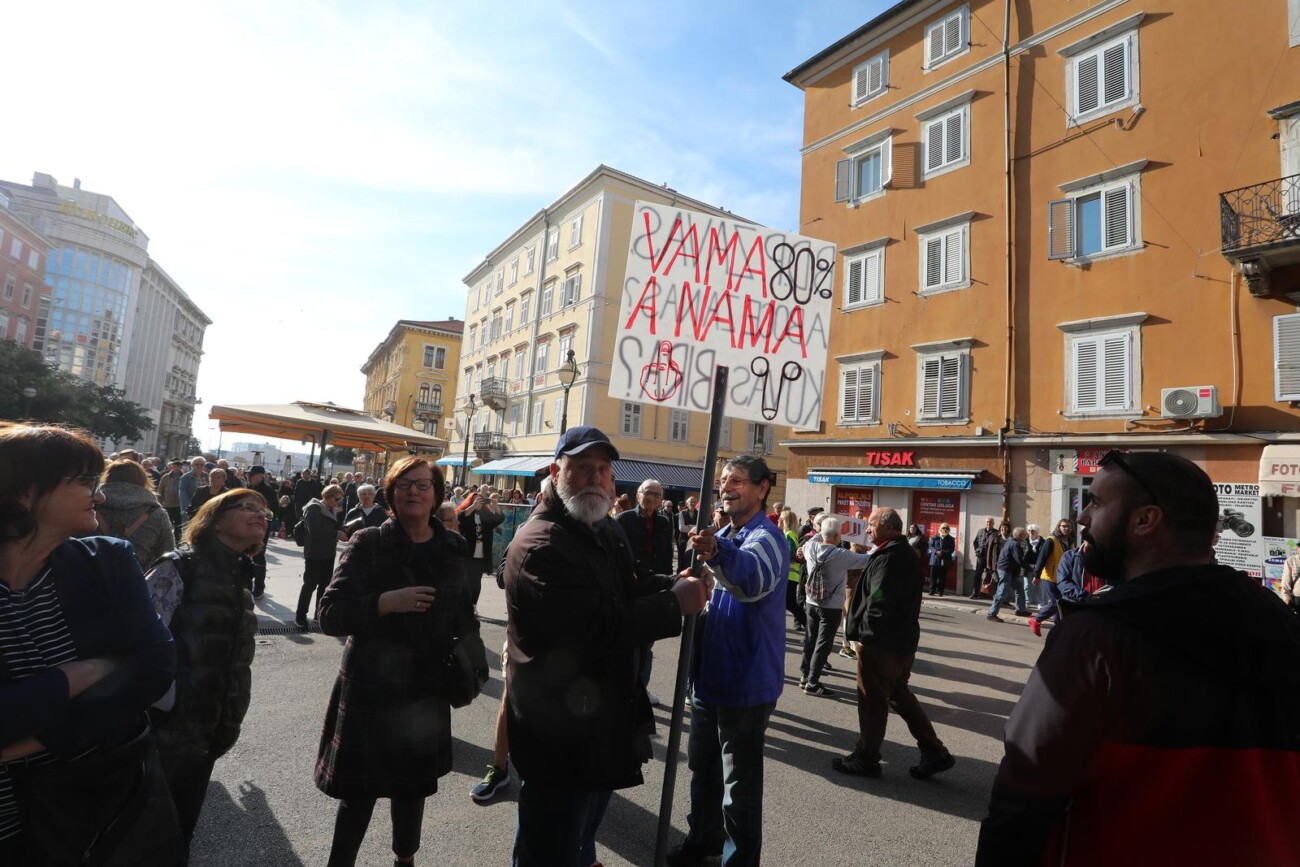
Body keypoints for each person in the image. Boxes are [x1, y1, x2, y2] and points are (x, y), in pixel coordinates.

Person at [975, 450, 1300, 866]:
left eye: (1095, 502)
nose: (1082, 517)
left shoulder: (1094, 636)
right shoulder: (1280, 621)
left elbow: (1025, 794)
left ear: (1145, 520)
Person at [505, 426, 710, 867]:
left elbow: (630, 584)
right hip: (558, 733)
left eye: (603, 469)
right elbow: (594, 627)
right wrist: (674, 605)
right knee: (549, 849)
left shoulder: (601, 528)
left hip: (597, 722)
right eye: (582, 468)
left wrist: (675, 582)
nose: (596, 478)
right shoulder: (541, 543)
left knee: (578, 836)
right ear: (556, 472)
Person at [0, 425, 180, 865]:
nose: (98, 497)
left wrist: (30, 743)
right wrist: (79, 673)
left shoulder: (106, 561)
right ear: (26, 494)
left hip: (97, 806)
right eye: (84, 483)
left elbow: (155, 669)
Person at [315, 457, 486, 867]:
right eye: (404, 484)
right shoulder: (369, 542)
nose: (413, 491)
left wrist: (470, 656)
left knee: (412, 791)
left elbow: (463, 611)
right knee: (358, 796)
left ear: (437, 495)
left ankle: (405, 861)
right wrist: (384, 603)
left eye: (423, 484)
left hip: (425, 688)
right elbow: (330, 614)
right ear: (390, 493)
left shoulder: (452, 546)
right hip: (370, 687)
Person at [671, 455, 789, 867]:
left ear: (762, 488)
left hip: (746, 681)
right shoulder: (722, 532)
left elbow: (752, 580)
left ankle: (739, 860)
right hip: (708, 679)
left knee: (739, 785)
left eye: (738, 480)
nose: (727, 487)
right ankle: (703, 838)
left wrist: (717, 552)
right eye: (723, 480)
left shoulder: (768, 537)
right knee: (702, 769)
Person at [145, 488, 261, 857]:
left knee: (181, 835)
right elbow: (141, 646)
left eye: (265, 511)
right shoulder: (179, 566)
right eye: (247, 507)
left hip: (210, 731)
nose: (260, 514)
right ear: (213, 517)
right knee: (145, 836)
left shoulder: (239, 576)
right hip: (164, 731)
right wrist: (165, 705)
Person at [833, 507, 955, 781]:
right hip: (897, 640)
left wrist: (865, 636)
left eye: (872, 524)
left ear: (889, 527)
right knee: (899, 695)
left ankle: (866, 758)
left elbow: (879, 600)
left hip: (882, 643)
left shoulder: (892, 557)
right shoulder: (895, 553)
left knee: (872, 700)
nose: (867, 529)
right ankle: (935, 752)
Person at [615, 479, 675, 706]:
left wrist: (668, 579)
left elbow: (667, 552)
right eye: (646, 493)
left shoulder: (663, 521)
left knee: (647, 644)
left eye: (656, 494)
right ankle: (624, 689)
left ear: (661, 499)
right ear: (638, 495)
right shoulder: (623, 519)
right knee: (629, 642)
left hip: (655, 587)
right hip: (630, 589)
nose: (650, 497)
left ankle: (640, 689)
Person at [799, 516, 872, 696]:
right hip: (830, 606)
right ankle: (813, 683)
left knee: (810, 638)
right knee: (823, 643)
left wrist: (824, 525)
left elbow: (816, 537)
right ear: (839, 536)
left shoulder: (809, 548)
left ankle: (804, 676)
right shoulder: (841, 555)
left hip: (811, 601)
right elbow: (867, 559)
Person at [96, 458, 176, 571]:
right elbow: (167, 553)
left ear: (107, 477)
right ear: (143, 480)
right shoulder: (156, 513)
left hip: (89, 578)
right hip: (139, 580)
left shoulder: (90, 507)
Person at [295, 483, 343, 629]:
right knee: (310, 585)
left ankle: (319, 614)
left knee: (325, 585)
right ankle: (301, 615)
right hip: (314, 553)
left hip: (328, 552)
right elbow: (315, 531)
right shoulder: (314, 508)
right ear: (328, 497)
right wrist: (336, 534)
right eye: (337, 499)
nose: (338, 502)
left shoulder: (331, 509)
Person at [456, 490, 505, 608]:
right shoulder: (468, 513)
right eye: (476, 499)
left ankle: (473, 605)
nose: (479, 502)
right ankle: (463, 604)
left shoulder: (485, 514)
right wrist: (473, 507)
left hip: (481, 553)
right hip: (468, 552)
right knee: (465, 579)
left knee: (476, 581)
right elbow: (460, 517)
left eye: (480, 500)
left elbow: (499, 519)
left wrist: (496, 507)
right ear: (471, 501)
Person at [1027, 519, 1073, 636]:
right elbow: (1041, 559)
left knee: (1060, 603)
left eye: (1068, 526)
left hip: (1063, 578)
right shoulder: (1051, 540)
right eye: (1063, 526)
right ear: (1059, 527)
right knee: (1056, 602)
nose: (1066, 528)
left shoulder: (1070, 541)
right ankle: (1036, 620)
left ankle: (1058, 627)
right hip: (1049, 577)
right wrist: (1037, 575)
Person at [244, 465, 279, 598]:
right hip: (245, 525)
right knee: (245, 555)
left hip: (260, 527)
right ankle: (246, 586)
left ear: (260, 476)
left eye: (252, 475)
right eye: (248, 474)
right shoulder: (247, 488)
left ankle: (259, 587)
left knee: (258, 556)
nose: (249, 477)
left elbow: (274, 512)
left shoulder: (269, 491)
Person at [987, 528, 1031, 621]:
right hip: (1005, 570)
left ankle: (1020, 610)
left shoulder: (1011, 542)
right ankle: (992, 613)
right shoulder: (1014, 544)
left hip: (1011, 571)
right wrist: (1030, 568)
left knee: (1019, 589)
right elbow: (1019, 559)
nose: (1025, 536)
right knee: (1002, 591)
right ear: (1019, 535)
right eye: (1024, 534)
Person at [778, 508, 807, 632]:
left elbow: (789, 554)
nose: (778, 521)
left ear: (785, 521)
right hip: (791, 575)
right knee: (786, 604)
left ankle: (810, 628)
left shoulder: (788, 534)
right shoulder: (792, 534)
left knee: (790, 604)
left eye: (780, 519)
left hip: (789, 574)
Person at [970, 517, 998, 599]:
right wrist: (977, 550)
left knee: (989, 575)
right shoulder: (981, 531)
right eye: (987, 522)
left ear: (993, 523)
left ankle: (985, 593)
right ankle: (975, 593)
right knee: (977, 575)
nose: (988, 523)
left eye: (990, 522)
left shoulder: (996, 532)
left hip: (990, 558)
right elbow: (975, 542)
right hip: (981, 557)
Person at [159, 458, 185, 542]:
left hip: (179, 505)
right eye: (175, 466)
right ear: (172, 467)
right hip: (167, 504)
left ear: (181, 467)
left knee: (178, 525)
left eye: (178, 466)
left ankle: (177, 541)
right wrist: (160, 502)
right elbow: (160, 490)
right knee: (167, 524)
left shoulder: (184, 477)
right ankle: (167, 541)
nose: (176, 468)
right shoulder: (165, 477)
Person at [927, 523, 955, 596]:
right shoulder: (935, 537)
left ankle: (940, 592)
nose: (945, 530)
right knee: (933, 577)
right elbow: (931, 547)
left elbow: (951, 549)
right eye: (944, 528)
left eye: (947, 528)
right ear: (940, 529)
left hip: (944, 560)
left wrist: (942, 552)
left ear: (949, 530)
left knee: (942, 577)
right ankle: (932, 591)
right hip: (934, 560)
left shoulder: (951, 539)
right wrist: (936, 552)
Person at [178, 456, 207, 526]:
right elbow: (182, 494)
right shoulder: (185, 477)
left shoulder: (207, 476)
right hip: (191, 508)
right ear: (192, 465)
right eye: (196, 464)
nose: (199, 466)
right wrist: (187, 510)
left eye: (201, 465)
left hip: (204, 509)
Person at [678, 495, 699, 566]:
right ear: (687, 504)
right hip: (683, 540)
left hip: (694, 540)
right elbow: (681, 528)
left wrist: (689, 526)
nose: (692, 503)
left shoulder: (699, 513)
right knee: (682, 560)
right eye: (691, 502)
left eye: (694, 502)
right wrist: (694, 527)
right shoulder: (682, 513)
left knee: (692, 561)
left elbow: (700, 527)